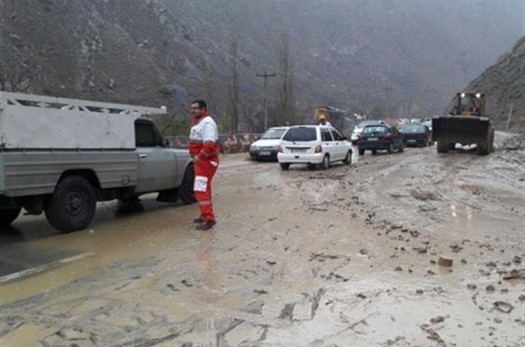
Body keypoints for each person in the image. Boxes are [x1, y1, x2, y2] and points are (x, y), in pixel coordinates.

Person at [188, 99, 220, 230]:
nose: (193, 110)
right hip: (202, 161)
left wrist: (199, 157)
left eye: (196, 108)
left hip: (205, 161)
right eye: (192, 108)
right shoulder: (198, 122)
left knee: (200, 189)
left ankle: (209, 218)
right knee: (204, 189)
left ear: (204, 110)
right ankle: (205, 214)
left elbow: (209, 144)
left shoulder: (207, 123)